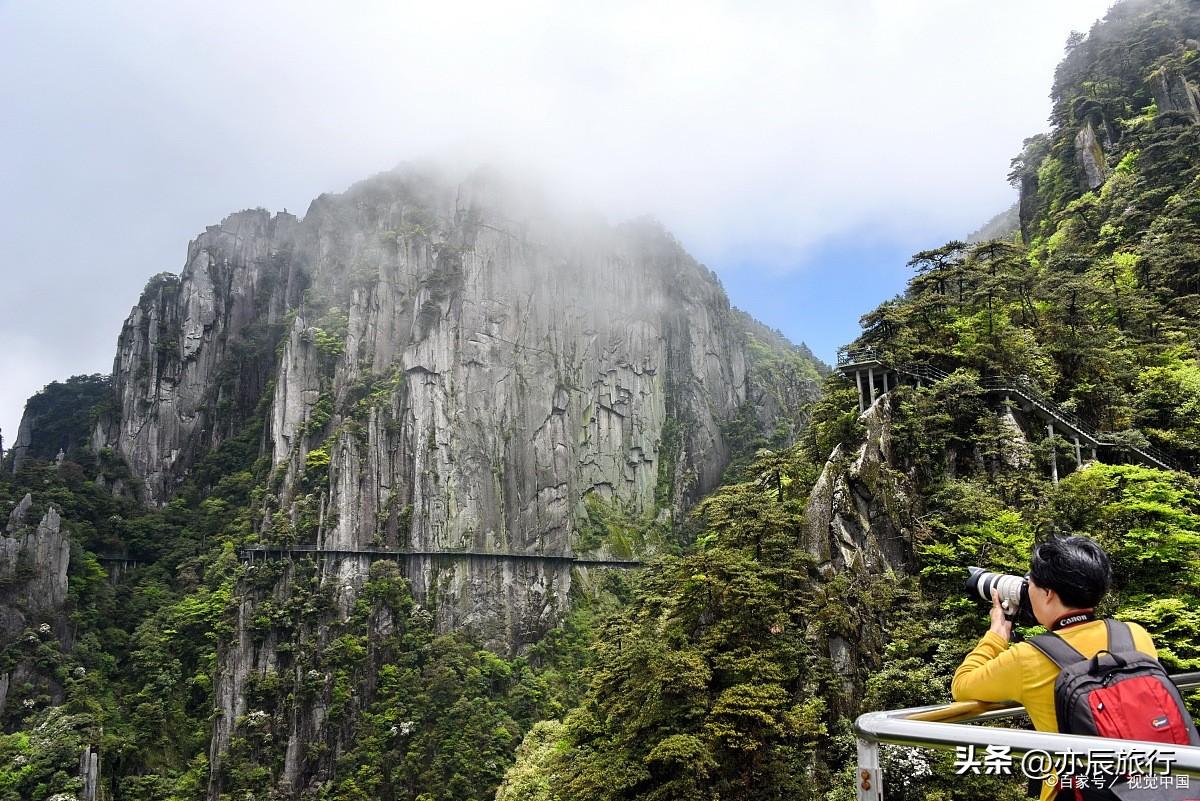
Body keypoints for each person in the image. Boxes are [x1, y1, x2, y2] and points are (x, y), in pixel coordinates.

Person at [951, 536, 1157, 801]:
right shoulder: (1134, 634)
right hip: (1147, 784)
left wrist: (997, 634)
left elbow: (962, 685)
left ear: (1048, 593)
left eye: (1031, 583)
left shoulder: (1028, 658)